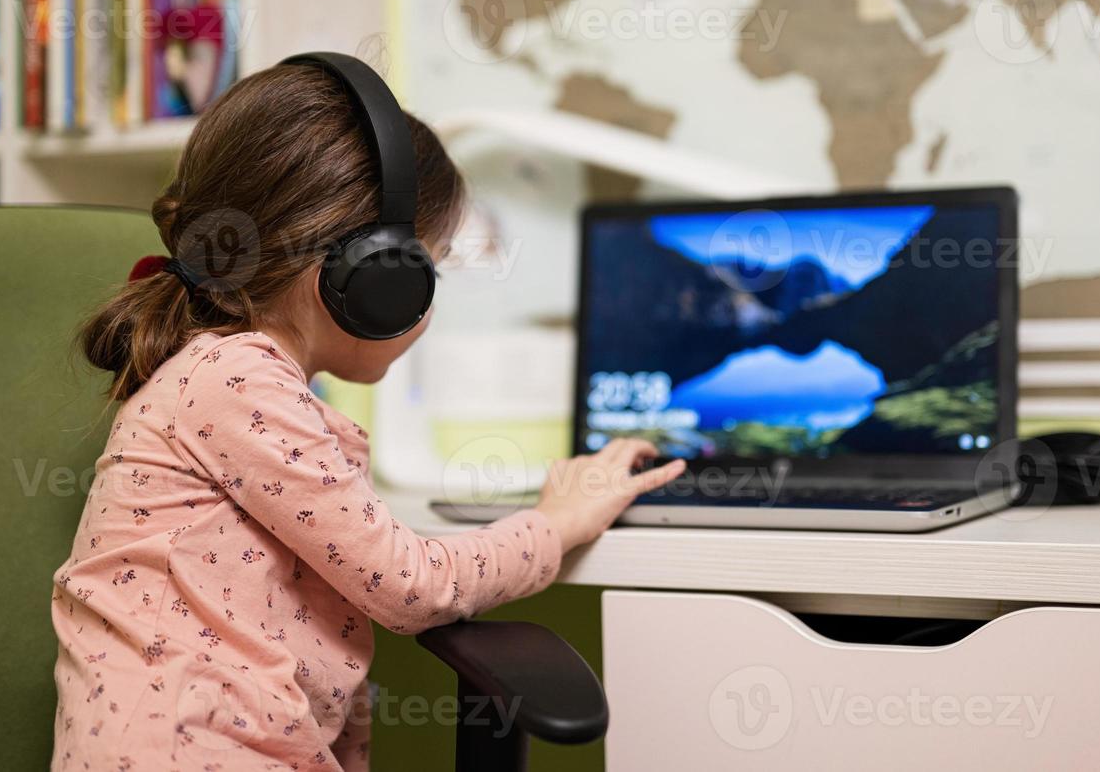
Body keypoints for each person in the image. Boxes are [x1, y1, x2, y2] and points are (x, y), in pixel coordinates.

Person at [51, 58, 685, 771]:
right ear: (376, 279)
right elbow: (412, 585)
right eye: (428, 269)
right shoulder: (236, 378)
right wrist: (557, 522)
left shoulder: (231, 376)